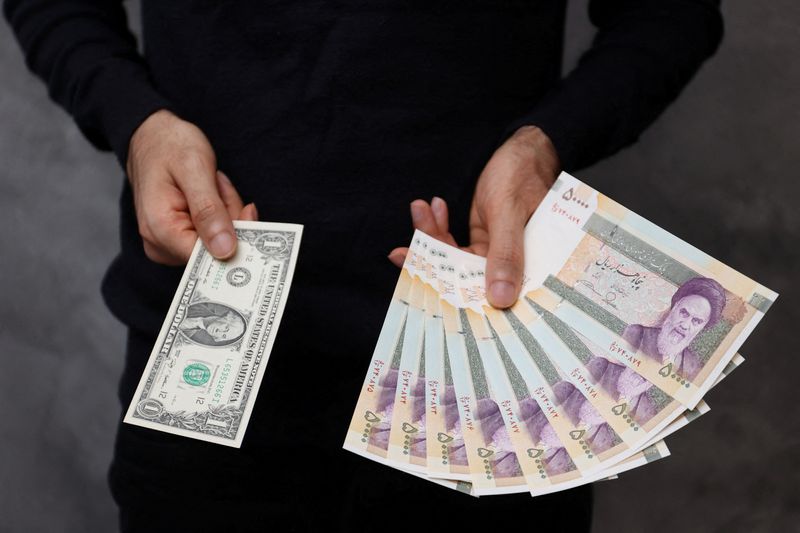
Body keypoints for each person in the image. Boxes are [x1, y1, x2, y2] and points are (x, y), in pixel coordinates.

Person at [3, 0, 724, 531]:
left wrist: (544, 144)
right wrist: (137, 124)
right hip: (212, 377)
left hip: (487, 373)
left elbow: (671, 15)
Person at [622, 276, 726, 380]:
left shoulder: (694, 366)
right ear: (675, 307)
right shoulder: (637, 334)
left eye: (696, 321)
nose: (684, 325)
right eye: (684, 313)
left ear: (703, 327)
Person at [178, 302, 247, 347]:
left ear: (218, 339)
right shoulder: (198, 302)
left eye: (224, 335)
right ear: (227, 318)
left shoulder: (187, 343)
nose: (219, 331)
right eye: (226, 328)